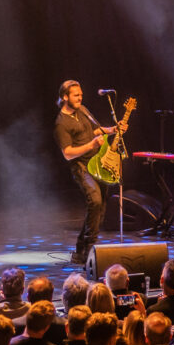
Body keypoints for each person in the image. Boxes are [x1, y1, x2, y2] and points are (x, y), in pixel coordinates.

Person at [53, 81, 115, 266]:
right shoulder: (61, 123)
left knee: (100, 207)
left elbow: (93, 131)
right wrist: (91, 145)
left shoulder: (83, 110)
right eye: (75, 95)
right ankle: (89, 250)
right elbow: (67, 153)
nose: (80, 98)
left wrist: (112, 130)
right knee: (94, 201)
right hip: (81, 167)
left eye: (80, 94)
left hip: (97, 164)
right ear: (65, 97)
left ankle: (80, 250)